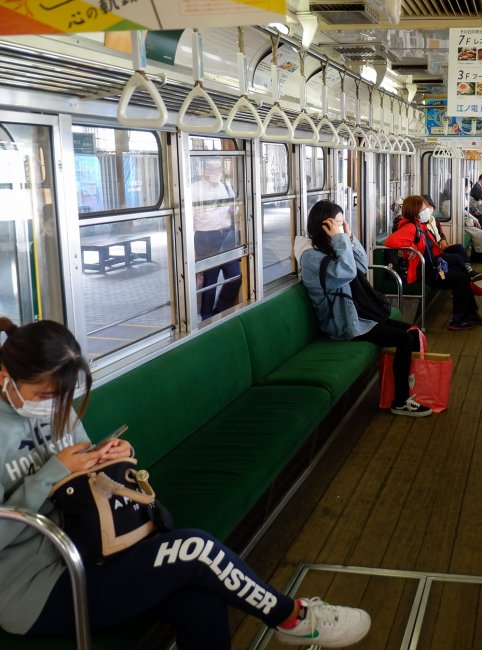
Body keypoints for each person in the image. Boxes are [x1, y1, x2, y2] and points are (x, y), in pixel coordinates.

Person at [0, 317, 371, 648]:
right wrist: (50, 476)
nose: (53, 406)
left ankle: (291, 618)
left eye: (61, 397)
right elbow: (51, 483)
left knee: (202, 604)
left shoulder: (56, 409)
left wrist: (107, 456)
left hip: (94, 551)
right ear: (6, 377)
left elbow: (79, 478)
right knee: (194, 549)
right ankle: (291, 616)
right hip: (35, 590)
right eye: (44, 396)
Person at [295, 200, 432, 417]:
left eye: (342, 224)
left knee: (412, 332)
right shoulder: (311, 257)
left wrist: (348, 238)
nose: (341, 228)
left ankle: (409, 388)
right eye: (338, 224)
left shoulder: (329, 248)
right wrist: (340, 239)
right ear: (325, 227)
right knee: (404, 339)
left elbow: (359, 266)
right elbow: (346, 272)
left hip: (359, 315)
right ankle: (400, 400)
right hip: (343, 324)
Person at [385, 195, 482, 331]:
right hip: (427, 273)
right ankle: (458, 319)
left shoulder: (420, 226)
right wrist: (411, 249)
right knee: (459, 279)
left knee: (457, 264)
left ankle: (470, 312)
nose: (428, 209)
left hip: (435, 267)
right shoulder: (411, 227)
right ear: (416, 212)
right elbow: (391, 241)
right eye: (424, 208)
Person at [192, 159, 243, 320]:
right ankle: (206, 317)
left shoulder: (226, 186)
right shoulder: (195, 189)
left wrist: (233, 211)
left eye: (217, 168)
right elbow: (188, 218)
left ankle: (220, 311)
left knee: (235, 277)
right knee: (209, 282)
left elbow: (233, 206)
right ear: (204, 170)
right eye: (211, 168)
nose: (214, 172)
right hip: (205, 238)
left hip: (226, 236)